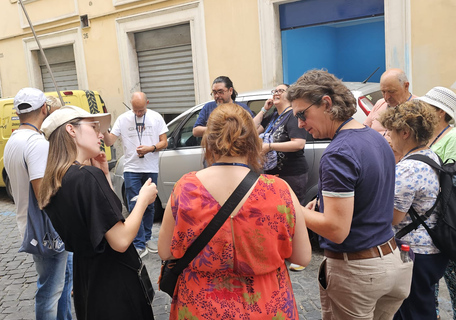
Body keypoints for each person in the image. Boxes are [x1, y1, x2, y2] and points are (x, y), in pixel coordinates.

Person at [158, 103, 312, 319]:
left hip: (200, 305)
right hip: (267, 304)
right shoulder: (279, 190)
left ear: (208, 141)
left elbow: (166, 252)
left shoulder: (185, 188)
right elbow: (302, 257)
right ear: (252, 141)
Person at [287, 70, 412, 320]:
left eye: (302, 114)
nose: (300, 124)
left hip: (358, 271)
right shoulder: (376, 138)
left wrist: (292, 206)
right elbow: (371, 196)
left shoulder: (339, 152)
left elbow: (336, 229)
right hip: (393, 262)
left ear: (326, 103)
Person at [38, 106, 158, 320]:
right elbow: (120, 240)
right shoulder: (87, 177)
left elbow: (103, 219)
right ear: (71, 130)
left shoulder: (56, 181)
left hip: (87, 279)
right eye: (93, 127)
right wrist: (143, 200)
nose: (100, 134)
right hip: (114, 282)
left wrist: (105, 175)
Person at [3, 88, 73, 320]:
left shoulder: (14, 140)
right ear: (44, 108)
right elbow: (44, 195)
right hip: (47, 229)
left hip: (30, 224)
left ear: (18, 112)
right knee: (50, 291)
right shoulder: (36, 143)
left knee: (60, 283)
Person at [379, 99, 449, 319]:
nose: (388, 137)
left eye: (391, 132)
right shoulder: (430, 157)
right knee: (422, 306)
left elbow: (392, 217)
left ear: (405, 132)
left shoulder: (408, 168)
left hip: (414, 254)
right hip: (432, 249)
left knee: (412, 312)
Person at [103, 92, 168, 258]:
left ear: (147, 102)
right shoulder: (123, 118)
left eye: (141, 110)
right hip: (131, 168)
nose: (138, 113)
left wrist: (150, 148)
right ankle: (138, 243)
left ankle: (146, 238)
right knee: (135, 205)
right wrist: (103, 130)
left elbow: (164, 142)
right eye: (135, 110)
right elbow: (110, 141)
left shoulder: (156, 117)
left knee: (150, 205)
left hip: (150, 166)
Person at [253, 83, 309, 272]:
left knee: (295, 212)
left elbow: (299, 143)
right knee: (277, 214)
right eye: (274, 91)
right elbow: (252, 129)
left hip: (292, 172)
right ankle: (283, 250)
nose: (276, 93)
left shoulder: (293, 115)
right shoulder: (274, 117)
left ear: (290, 95)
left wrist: (270, 147)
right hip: (273, 172)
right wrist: (263, 109)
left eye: (280, 91)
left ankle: (300, 255)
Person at [417, 86, 456, 320]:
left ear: (440, 112)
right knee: (429, 285)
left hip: (447, 220)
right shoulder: (431, 135)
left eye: (427, 107)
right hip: (430, 222)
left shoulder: (452, 137)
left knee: (452, 280)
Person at [364, 68, 417, 161]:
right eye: (383, 92)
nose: (386, 97)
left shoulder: (418, 107)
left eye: (391, 92)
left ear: (406, 86)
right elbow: (364, 130)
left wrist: (396, 144)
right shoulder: (380, 103)